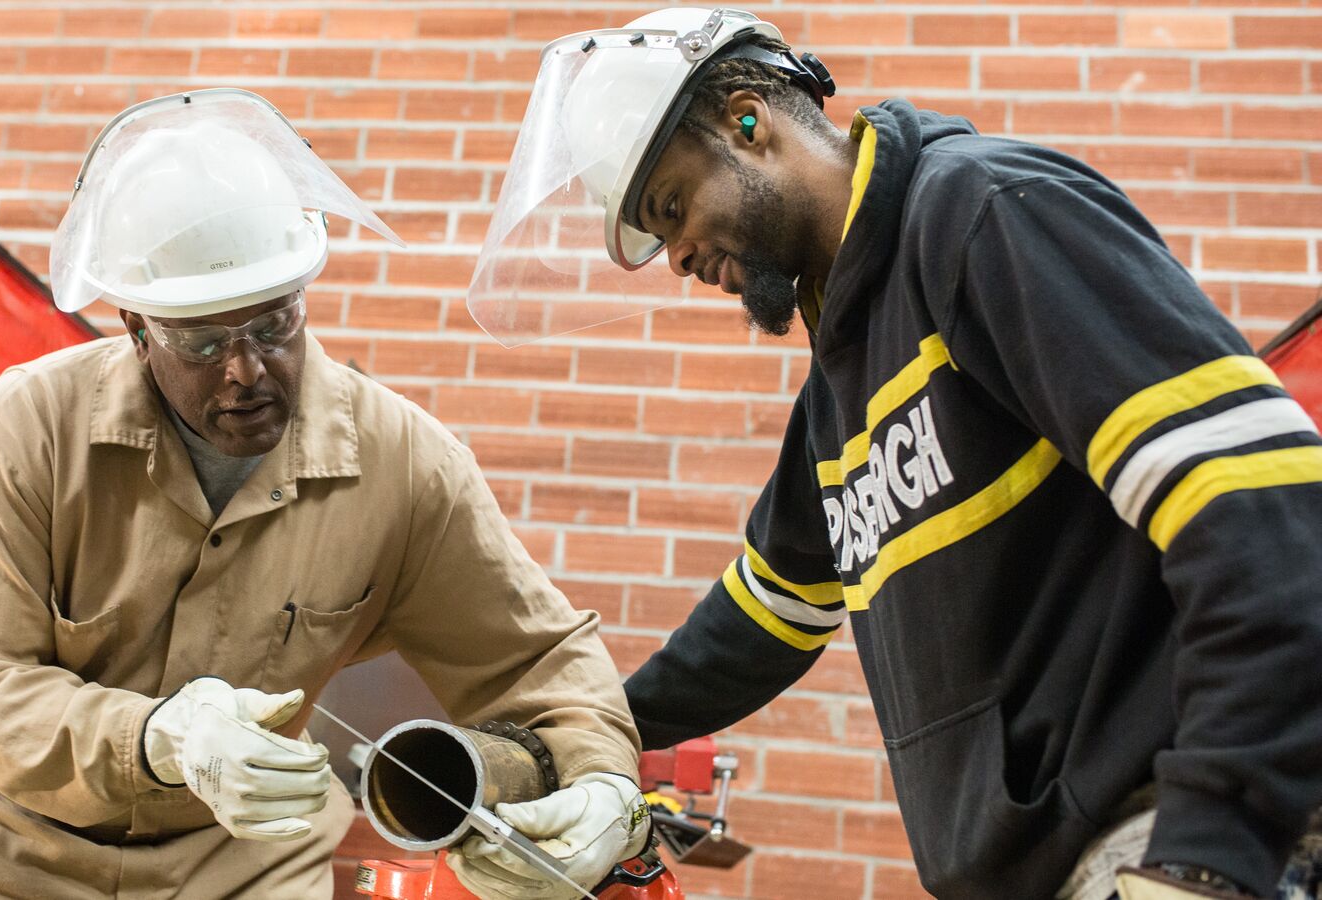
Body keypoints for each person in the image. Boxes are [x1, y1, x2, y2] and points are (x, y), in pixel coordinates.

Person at [471, 9, 1322, 900]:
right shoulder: (838, 390)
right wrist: (580, 731)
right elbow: (762, 621)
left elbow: (1263, 505)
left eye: (673, 207)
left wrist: (1206, 853)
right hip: (1048, 871)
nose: (678, 257)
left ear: (748, 122)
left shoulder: (981, 216)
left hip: (1169, 836)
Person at [0, 89, 649, 900]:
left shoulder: (405, 464)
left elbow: (541, 662)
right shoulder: (28, 429)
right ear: (135, 328)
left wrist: (606, 792)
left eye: (273, 326)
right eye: (201, 342)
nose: (246, 372)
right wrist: (157, 737)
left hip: (232, 865)